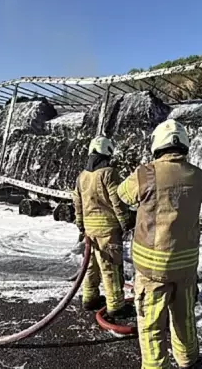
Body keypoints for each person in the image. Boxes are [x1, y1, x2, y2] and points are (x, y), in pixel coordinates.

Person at [117, 119, 202, 369]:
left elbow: (122, 195)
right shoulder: (199, 176)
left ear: (157, 145)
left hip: (152, 270)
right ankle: (188, 360)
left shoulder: (145, 173)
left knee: (151, 326)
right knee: (184, 318)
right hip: (186, 266)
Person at [72, 136, 134, 319]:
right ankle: (116, 306)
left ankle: (90, 298)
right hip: (108, 230)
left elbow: (77, 202)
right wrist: (125, 221)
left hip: (90, 231)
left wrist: (80, 224)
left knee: (91, 267)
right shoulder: (109, 173)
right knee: (110, 267)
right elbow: (117, 200)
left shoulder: (82, 176)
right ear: (107, 152)